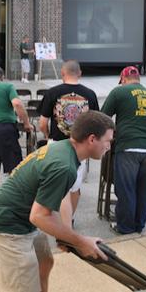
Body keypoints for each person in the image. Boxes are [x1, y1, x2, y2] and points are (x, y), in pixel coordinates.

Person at [0, 111, 114, 292]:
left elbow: (62, 196)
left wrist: (67, 236)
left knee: (44, 261)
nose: (109, 146)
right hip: (7, 224)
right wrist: (81, 241)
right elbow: (39, 217)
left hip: (23, 216)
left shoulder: (65, 150)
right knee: (23, 283)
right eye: (108, 141)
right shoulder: (64, 165)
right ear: (92, 139)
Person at [38, 60, 99, 224]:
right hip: (80, 146)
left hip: (56, 144)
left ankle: (56, 218)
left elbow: (42, 123)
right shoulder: (90, 94)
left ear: (62, 73)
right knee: (74, 187)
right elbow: (95, 124)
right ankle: (69, 219)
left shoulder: (52, 92)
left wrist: (47, 135)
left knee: (56, 183)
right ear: (80, 74)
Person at [101, 66, 146, 235]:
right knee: (145, 189)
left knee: (126, 189)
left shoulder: (119, 92)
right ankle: (139, 225)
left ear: (124, 79)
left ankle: (125, 228)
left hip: (128, 147)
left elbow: (103, 117)